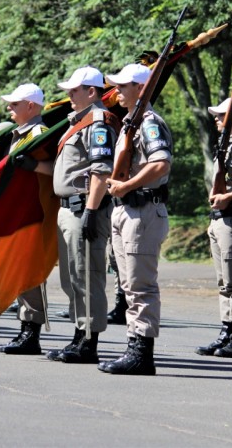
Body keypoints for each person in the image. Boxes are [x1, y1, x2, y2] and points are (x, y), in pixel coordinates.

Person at [100, 64, 171, 375]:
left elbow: (161, 164)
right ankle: (134, 345)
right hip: (124, 209)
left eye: (124, 85)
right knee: (128, 284)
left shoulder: (150, 123)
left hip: (142, 210)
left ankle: (142, 352)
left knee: (140, 285)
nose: (116, 91)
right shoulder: (131, 122)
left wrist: (127, 185)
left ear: (141, 89)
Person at [47, 66, 117, 364]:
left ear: (91, 92)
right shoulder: (78, 122)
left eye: (74, 90)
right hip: (68, 209)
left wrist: (90, 210)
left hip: (83, 209)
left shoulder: (98, 123)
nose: (69, 95)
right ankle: (79, 334)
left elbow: (101, 171)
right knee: (72, 277)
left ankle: (89, 342)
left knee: (87, 276)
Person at [0, 83, 53, 355]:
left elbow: (53, 171)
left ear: (31, 106)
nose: (9, 108)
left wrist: (33, 166)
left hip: (32, 212)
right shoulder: (21, 134)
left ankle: (31, 333)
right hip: (18, 212)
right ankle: (24, 329)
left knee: (29, 275)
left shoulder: (39, 134)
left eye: (15, 104)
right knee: (21, 272)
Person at [196, 97, 232, 359]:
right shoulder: (223, 144)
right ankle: (226, 331)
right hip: (219, 219)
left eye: (222, 115)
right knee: (223, 281)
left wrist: (228, 198)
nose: (217, 119)